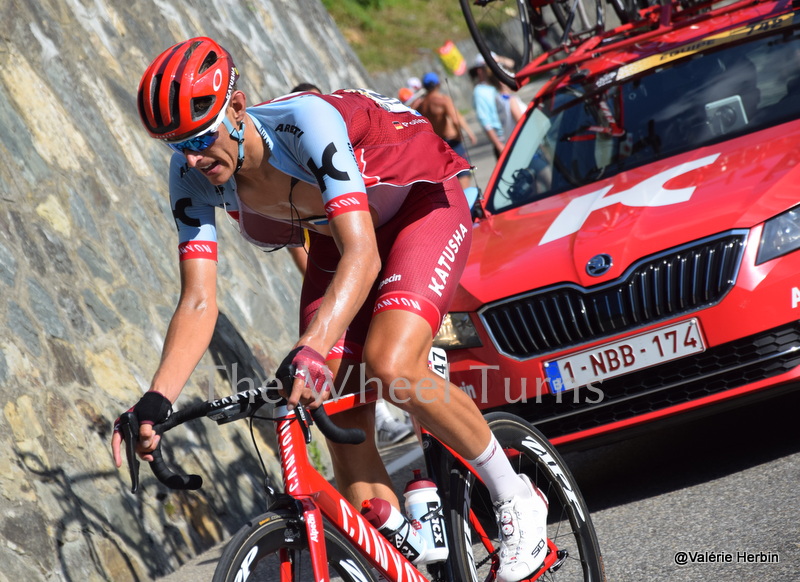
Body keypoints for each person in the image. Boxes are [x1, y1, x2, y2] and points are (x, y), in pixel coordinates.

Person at [112, 37, 547, 581]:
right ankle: (400, 547)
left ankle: (516, 495)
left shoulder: (305, 123)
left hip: (418, 205)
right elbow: (199, 298)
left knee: (391, 364)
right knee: (326, 402)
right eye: (177, 146)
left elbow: (363, 254)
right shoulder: (190, 175)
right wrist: (156, 399)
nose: (194, 158)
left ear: (239, 108)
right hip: (332, 236)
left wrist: (315, 345)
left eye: (201, 138)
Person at [415, 71, 477, 190]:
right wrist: (464, 133)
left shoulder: (421, 105)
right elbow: (455, 118)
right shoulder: (442, 100)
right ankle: (467, 203)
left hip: (438, 143)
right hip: (452, 141)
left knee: (450, 176)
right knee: (464, 173)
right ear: (438, 84)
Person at [469, 54, 506, 158]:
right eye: (490, 67)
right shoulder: (479, 92)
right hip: (503, 141)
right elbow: (485, 121)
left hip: (515, 134)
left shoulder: (499, 85)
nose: (494, 70)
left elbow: (512, 63)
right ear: (480, 71)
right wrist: (499, 146)